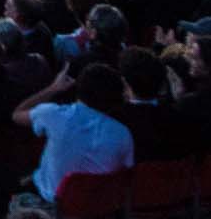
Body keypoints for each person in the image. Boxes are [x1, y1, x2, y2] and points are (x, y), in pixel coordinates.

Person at [13, 62, 133, 204]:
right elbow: (127, 172)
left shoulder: (54, 115)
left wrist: (53, 88)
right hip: (102, 208)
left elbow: (17, 115)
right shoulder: (123, 134)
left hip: (54, 206)